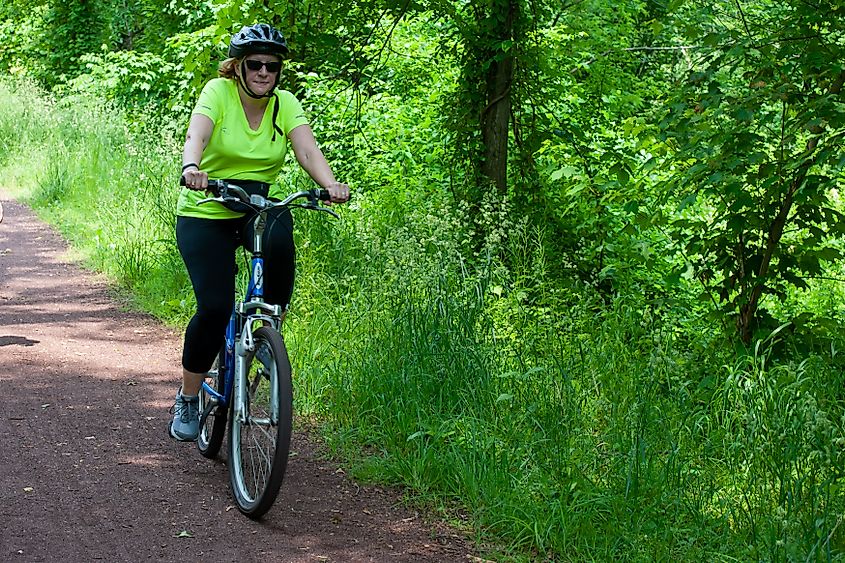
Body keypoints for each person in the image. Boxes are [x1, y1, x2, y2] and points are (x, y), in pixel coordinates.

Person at [170, 23, 350, 441]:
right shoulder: (218, 93)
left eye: (272, 65)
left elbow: (306, 148)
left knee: (280, 234)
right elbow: (197, 133)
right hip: (207, 204)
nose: (264, 72)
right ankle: (189, 396)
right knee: (214, 308)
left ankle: (269, 330)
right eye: (255, 64)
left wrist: (329, 183)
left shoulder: (284, 103)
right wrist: (191, 168)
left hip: (256, 203)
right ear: (238, 67)